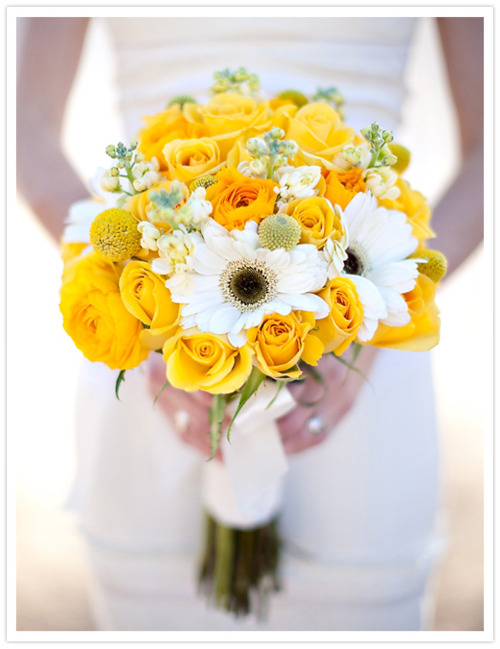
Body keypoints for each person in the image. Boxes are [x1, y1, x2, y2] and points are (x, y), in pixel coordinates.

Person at [17, 16, 483, 631]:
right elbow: (24, 129)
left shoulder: (367, 323)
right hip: (157, 364)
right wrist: (142, 304)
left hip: (361, 372)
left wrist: (373, 309)